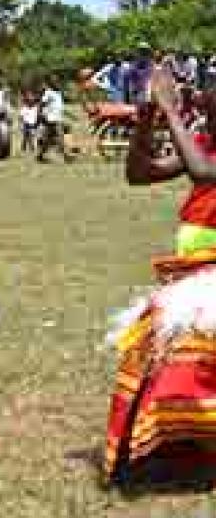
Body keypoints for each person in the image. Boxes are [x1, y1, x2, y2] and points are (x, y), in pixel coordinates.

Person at [105, 76, 216, 484]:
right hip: (193, 277)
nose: (200, 102)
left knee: (192, 363)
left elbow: (204, 173)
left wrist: (170, 111)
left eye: (207, 98)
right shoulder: (202, 144)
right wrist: (146, 124)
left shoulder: (202, 154)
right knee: (157, 356)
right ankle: (183, 442)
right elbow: (139, 174)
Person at [36, 79, 72, 163]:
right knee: (60, 137)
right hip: (52, 119)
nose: (58, 84)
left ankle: (40, 156)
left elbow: (60, 108)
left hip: (57, 118)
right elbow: (42, 104)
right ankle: (66, 156)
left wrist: (70, 115)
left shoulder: (58, 94)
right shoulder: (49, 92)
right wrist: (40, 114)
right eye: (56, 83)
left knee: (47, 140)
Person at [18, 91, 39, 155]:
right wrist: (21, 124)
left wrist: (36, 123)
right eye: (29, 100)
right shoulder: (24, 108)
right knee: (25, 137)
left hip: (33, 124)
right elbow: (21, 116)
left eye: (32, 101)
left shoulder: (35, 108)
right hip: (26, 123)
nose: (30, 102)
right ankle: (23, 148)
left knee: (32, 136)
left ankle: (32, 148)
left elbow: (37, 116)